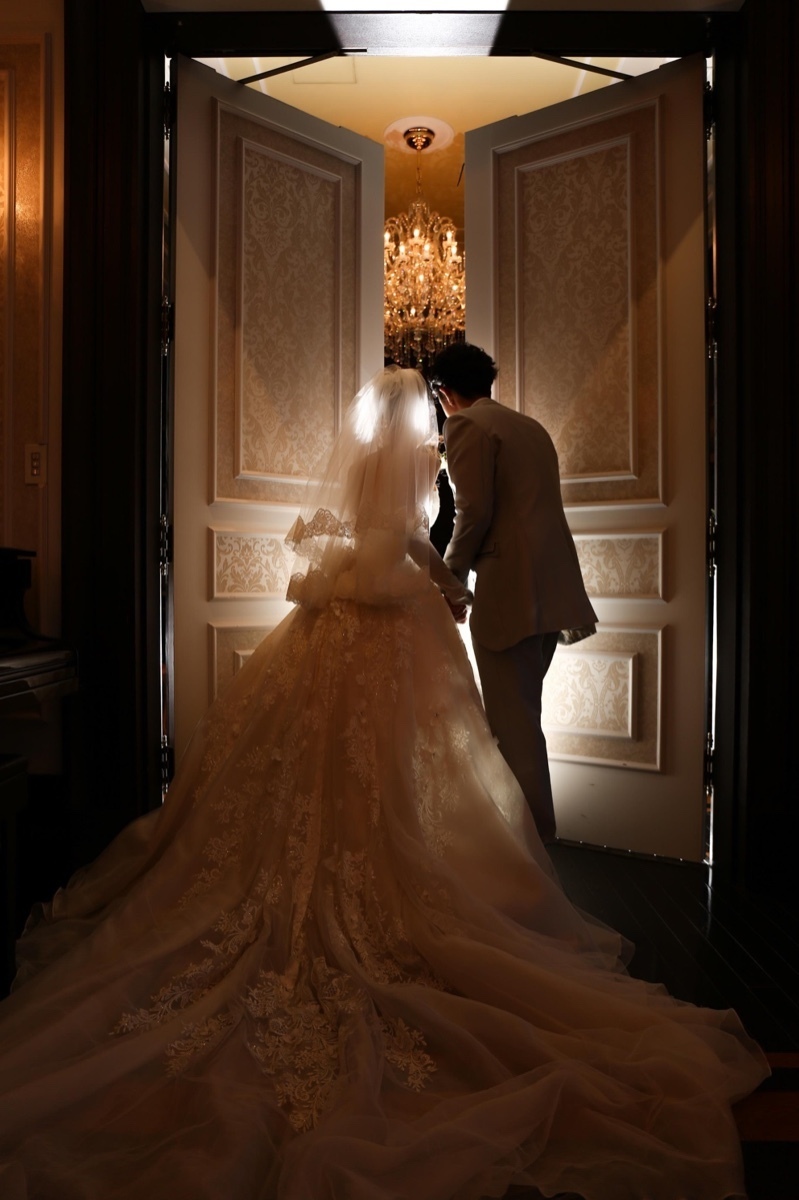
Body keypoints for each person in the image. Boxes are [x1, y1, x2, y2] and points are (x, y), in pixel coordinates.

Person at [0, 367, 766, 1200]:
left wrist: (426, 573)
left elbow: (347, 535)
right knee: (406, 759)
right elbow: (410, 538)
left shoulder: (371, 456)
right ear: (421, 407)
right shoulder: (422, 458)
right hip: (395, 619)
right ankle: (481, 857)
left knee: (317, 756)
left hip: (333, 624)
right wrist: (445, 584)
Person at [431, 343, 597, 844]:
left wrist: (450, 583)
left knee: (512, 726)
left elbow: (473, 513)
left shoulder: (464, 426)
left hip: (510, 596)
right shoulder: (529, 427)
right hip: (552, 591)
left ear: (444, 393)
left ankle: (532, 852)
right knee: (525, 717)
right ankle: (531, 845)